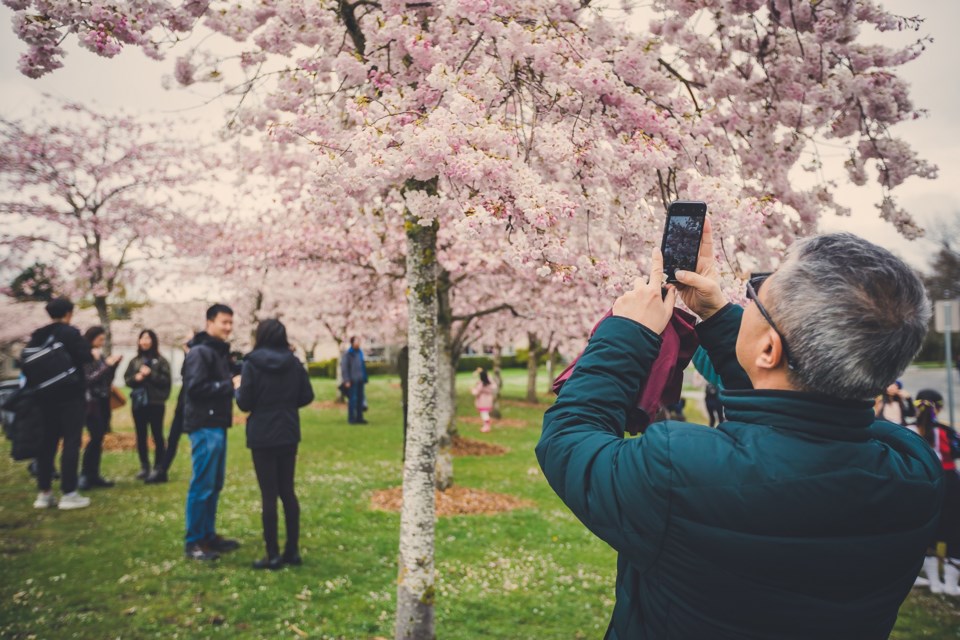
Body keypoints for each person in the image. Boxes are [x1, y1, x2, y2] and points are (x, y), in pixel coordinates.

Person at [537, 223, 942, 639]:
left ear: (769, 349)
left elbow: (569, 440)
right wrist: (716, 316)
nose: (745, 298)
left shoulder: (681, 471)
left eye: (755, 294)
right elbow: (796, 408)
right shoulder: (914, 472)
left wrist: (626, 332)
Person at [235, 319, 315, 569]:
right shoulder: (293, 362)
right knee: (287, 491)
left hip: (262, 432)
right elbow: (307, 395)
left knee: (269, 494)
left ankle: (273, 554)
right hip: (288, 430)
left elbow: (244, 402)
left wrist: (238, 389)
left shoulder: (251, 363)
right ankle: (292, 550)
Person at [182, 304, 240, 561]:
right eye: (223, 322)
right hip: (204, 425)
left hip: (216, 423)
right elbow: (195, 388)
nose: (228, 327)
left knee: (214, 483)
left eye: (230, 323)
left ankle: (208, 535)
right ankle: (194, 540)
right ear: (209, 322)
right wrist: (228, 385)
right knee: (202, 483)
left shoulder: (217, 352)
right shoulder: (200, 353)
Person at [25, 297, 94, 510]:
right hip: (70, 397)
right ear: (69, 313)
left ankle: (44, 493)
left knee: (46, 444)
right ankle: (69, 492)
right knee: (71, 442)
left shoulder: (38, 334)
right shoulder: (70, 333)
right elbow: (86, 356)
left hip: (43, 398)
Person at [913, 389, 960, 595]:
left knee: (925, 530)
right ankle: (950, 584)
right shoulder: (947, 432)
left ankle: (932, 580)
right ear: (939, 408)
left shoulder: (905, 430)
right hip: (949, 482)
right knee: (953, 530)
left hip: (920, 483)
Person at [124, 329, 172, 480]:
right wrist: (136, 378)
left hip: (156, 402)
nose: (145, 341)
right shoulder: (134, 361)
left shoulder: (161, 360)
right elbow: (127, 380)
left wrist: (151, 374)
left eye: (148, 338)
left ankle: (159, 466)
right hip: (138, 403)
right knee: (141, 434)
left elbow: (166, 381)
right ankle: (144, 466)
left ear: (153, 341)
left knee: (157, 434)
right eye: (142, 338)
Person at [79, 326, 122, 490]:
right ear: (92, 338)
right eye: (100, 339)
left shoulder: (99, 354)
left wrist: (113, 365)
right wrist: (104, 365)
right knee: (95, 436)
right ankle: (85, 474)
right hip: (92, 402)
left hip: (104, 400)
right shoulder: (86, 355)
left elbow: (106, 379)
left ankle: (94, 474)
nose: (102, 342)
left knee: (99, 437)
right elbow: (89, 379)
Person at [340, 336, 368, 424]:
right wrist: (346, 380)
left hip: (360, 379)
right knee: (353, 400)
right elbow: (344, 368)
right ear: (352, 343)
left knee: (360, 399)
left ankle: (359, 418)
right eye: (356, 341)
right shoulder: (348, 354)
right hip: (352, 380)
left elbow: (362, 366)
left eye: (359, 341)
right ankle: (351, 418)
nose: (358, 343)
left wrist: (365, 377)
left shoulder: (360, 353)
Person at [471, 368, 498, 433]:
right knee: (485, 413)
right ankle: (485, 426)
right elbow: (493, 384)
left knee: (484, 414)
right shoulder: (491, 384)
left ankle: (486, 426)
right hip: (489, 400)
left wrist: (472, 390)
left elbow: (476, 392)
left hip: (482, 401)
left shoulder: (481, 384)